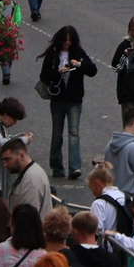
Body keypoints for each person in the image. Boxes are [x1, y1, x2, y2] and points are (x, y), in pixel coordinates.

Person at [36, 28, 94, 180]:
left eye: (70, 41)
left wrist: (80, 65)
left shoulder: (78, 52)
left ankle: (75, 167)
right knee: (57, 134)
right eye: (65, 41)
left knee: (73, 133)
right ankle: (57, 167)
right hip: (58, 99)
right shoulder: (53, 53)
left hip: (74, 100)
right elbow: (44, 75)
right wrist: (57, 72)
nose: (67, 43)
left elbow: (93, 70)